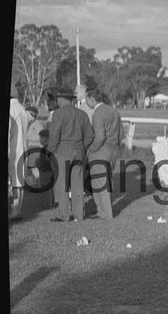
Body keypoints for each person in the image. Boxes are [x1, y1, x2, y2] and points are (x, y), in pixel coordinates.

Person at [46, 86, 93, 222]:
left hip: (62, 152)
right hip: (79, 152)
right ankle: (79, 215)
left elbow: (54, 136)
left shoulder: (58, 114)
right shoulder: (82, 114)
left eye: (57, 99)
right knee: (78, 185)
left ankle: (64, 215)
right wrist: (82, 148)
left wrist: (50, 151)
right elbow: (90, 135)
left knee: (62, 185)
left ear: (61, 100)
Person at [85, 89, 123, 219]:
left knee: (99, 183)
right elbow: (121, 133)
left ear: (92, 99)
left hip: (101, 150)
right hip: (113, 150)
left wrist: (92, 149)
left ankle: (104, 212)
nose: (86, 102)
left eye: (86, 99)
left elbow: (100, 136)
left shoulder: (97, 113)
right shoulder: (114, 111)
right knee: (108, 181)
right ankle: (104, 211)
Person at [8, 83, 30, 220]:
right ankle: (18, 209)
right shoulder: (21, 109)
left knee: (14, 181)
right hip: (23, 147)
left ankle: (14, 211)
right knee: (19, 181)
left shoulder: (11, 109)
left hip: (13, 149)